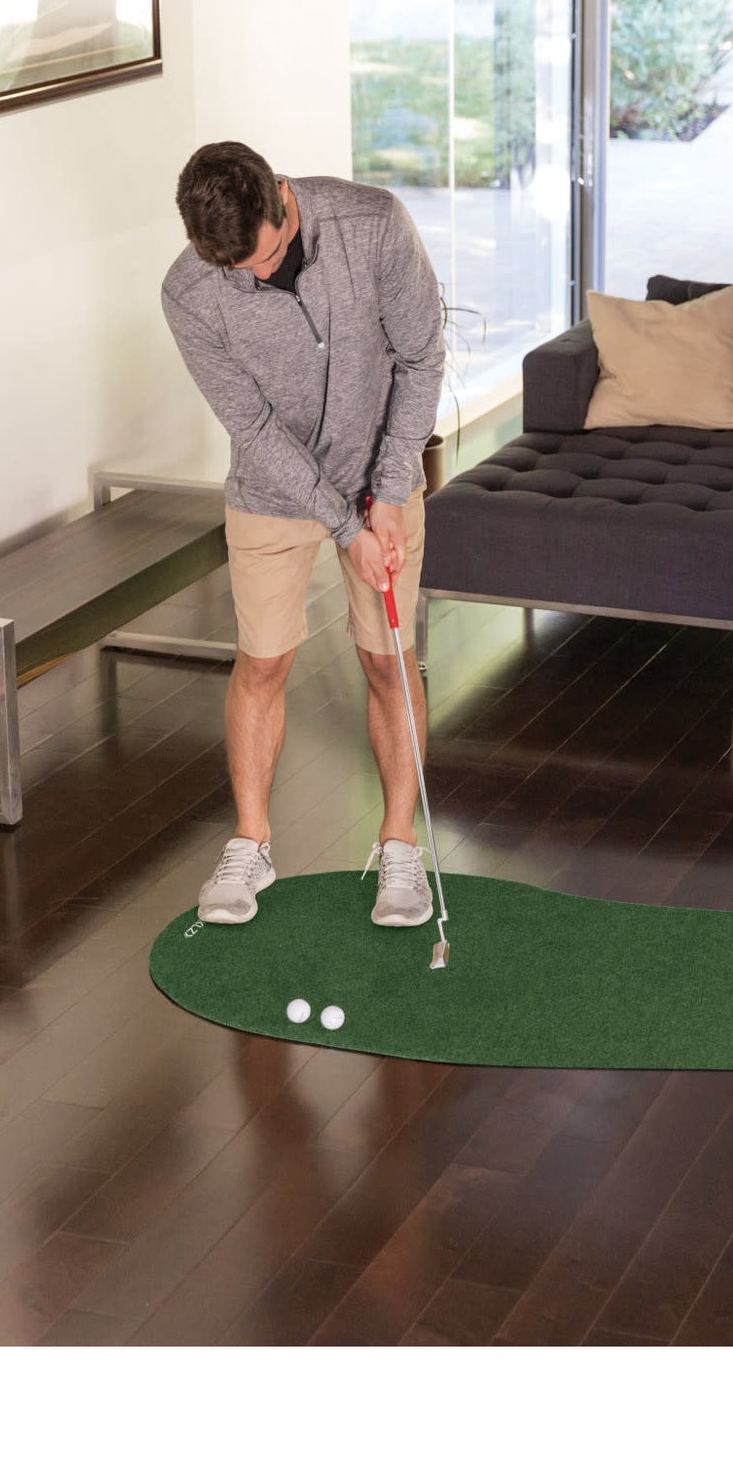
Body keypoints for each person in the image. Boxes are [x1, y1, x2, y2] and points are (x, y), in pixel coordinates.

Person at [160, 141, 445, 929]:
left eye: (268, 258)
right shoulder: (188, 292)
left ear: (283, 198)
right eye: (237, 272)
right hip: (274, 485)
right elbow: (250, 424)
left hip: (379, 470)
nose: (257, 277)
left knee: (387, 661)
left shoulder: (374, 225)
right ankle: (251, 843)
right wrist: (342, 523)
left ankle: (398, 848)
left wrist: (386, 495)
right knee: (263, 662)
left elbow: (421, 359)